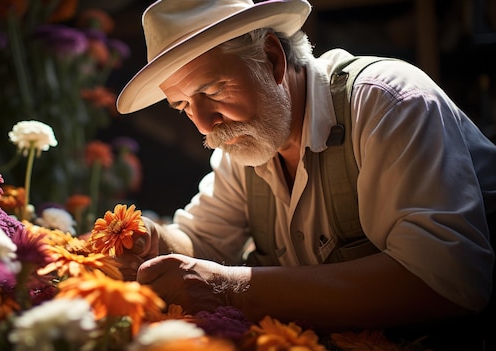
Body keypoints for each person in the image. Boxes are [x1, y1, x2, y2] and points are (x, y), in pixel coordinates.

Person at [115, 0, 496, 342]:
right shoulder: (248, 143)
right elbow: (201, 242)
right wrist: (153, 240)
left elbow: (449, 281)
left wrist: (230, 289)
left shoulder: (387, 103)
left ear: (272, 58)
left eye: (212, 92)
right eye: (182, 106)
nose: (202, 124)